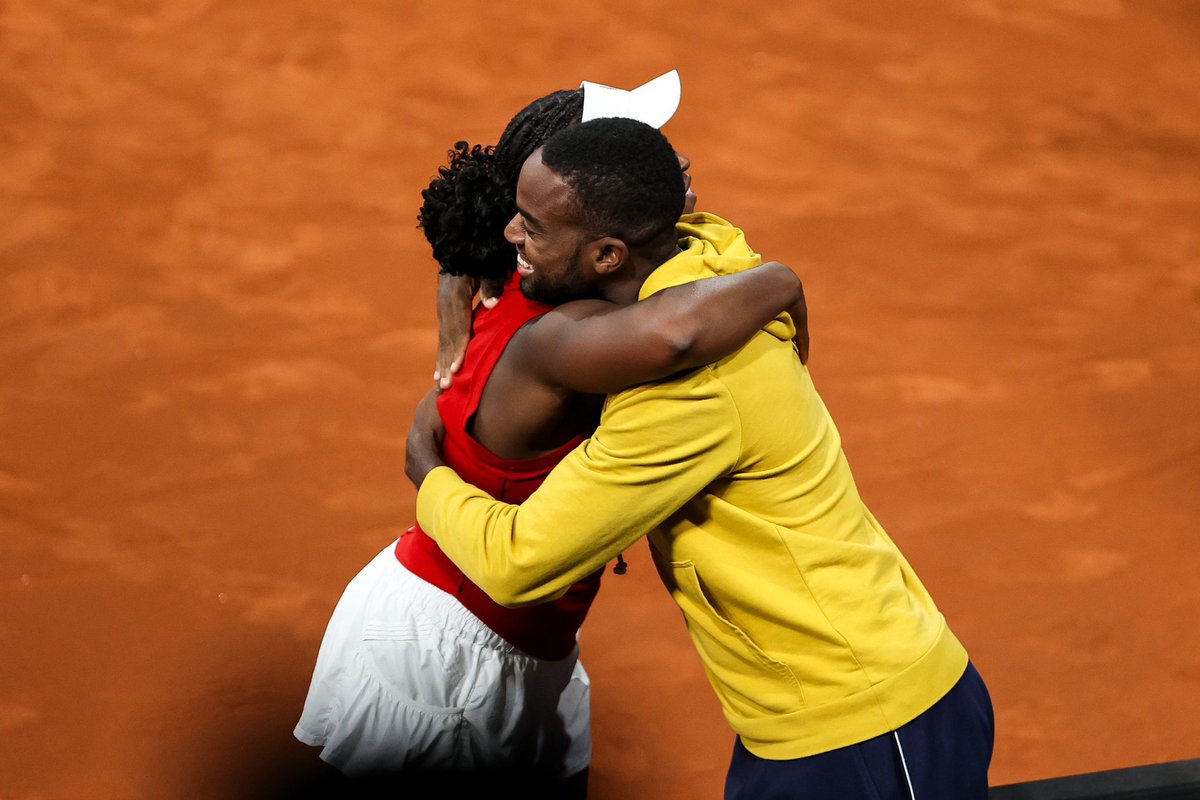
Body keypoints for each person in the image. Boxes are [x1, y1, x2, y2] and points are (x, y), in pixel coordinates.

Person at [406, 117, 995, 799]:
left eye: (531, 227)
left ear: (607, 256)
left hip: (864, 726)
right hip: (803, 722)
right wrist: (460, 264)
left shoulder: (686, 394)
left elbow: (518, 563)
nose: (513, 235)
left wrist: (430, 473)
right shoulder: (707, 258)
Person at [294, 82, 809, 797]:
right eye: (647, 147)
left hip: (525, 646)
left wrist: (453, 270)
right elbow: (682, 327)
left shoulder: (530, 278)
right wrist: (780, 279)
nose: (679, 159)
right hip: (446, 650)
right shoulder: (566, 332)